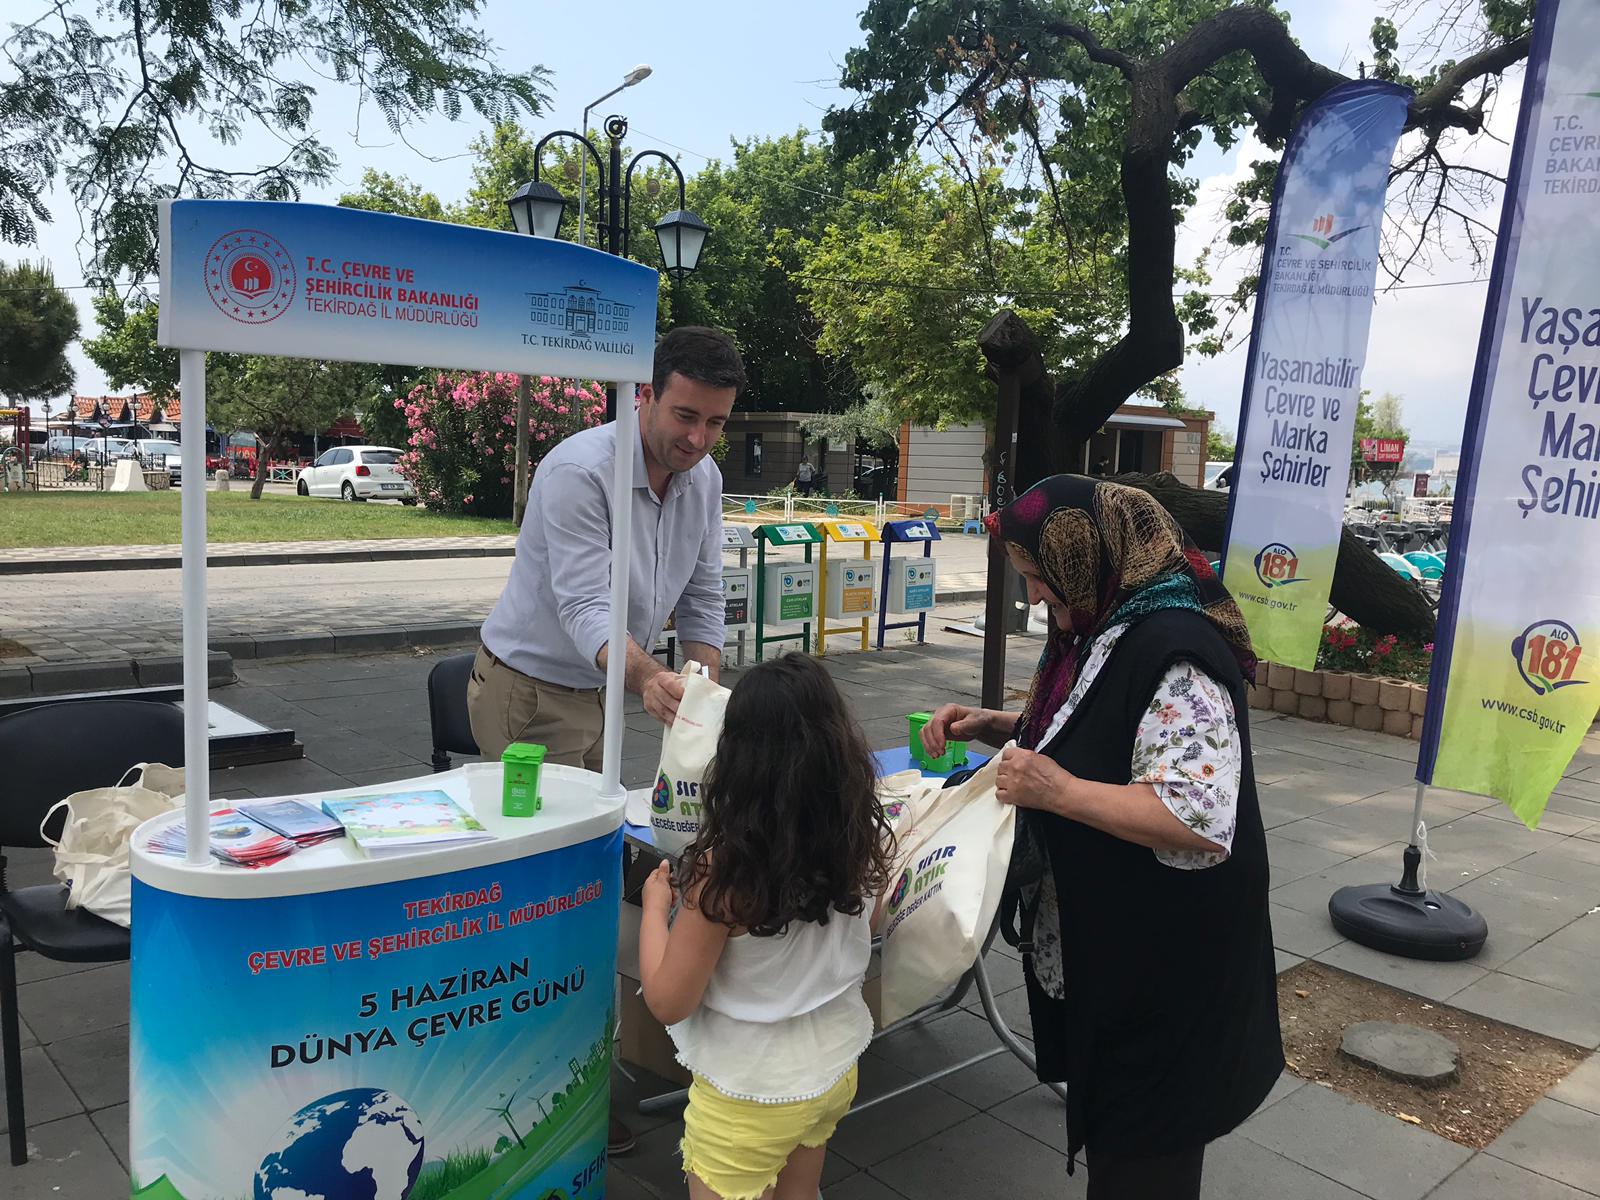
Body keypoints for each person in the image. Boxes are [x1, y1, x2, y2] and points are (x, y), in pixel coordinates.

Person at [921, 475, 1281, 1200]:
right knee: (1124, 1148)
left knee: (1144, 1161)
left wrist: (1057, 790)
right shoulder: (1107, 623)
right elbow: (1105, 728)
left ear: (1083, 557)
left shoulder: (1175, 648)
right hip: (1127, 960)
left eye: (1038, 580)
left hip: (1169, 973)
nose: (1035, 598)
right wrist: (1004, 727)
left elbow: (1198, 819)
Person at [638, 653, 892, 1200]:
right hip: (830, 1070)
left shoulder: (725, 873)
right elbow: (871, 920)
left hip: (748, 1091)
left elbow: (667, 1000)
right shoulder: (855, 835)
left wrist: (656, 909)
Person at [470, 326, 746, 768]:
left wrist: (708, 703)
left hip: (604, 687)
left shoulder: (706, 478)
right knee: (551, 836)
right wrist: (653, 678)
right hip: (531, 690)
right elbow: (586, 606)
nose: (698, 439)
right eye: (686, 416)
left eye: (715, 422)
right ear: (646, 394)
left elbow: (703, 595)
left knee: (603, 825)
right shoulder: (581, 471)